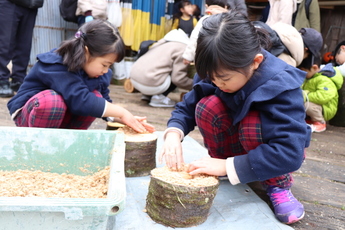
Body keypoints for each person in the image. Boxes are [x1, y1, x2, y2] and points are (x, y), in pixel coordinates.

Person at [159, 12, 311, 224]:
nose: (217, 83)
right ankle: (228, 167)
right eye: (211, 78)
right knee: (207, 106)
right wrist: (174, 133)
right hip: (237, 144)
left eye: (224, 79)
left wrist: (227, 167)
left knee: (252, 123)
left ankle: (278, 184)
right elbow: (188, 106)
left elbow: (289, 152)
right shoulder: (217, 69)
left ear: (255, 62)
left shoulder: (281, 85)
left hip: (274, 150)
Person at [7, 19, 154, 133]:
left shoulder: (99, 73)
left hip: (63, 114)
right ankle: (40, 147)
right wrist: (122, 111)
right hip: (31, 115)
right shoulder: (56, 64)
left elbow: (104, 104)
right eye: (104, 64)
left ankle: (68, 142)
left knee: (96, 98)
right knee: (53, 101)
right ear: (86, 52)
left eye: (110, 66)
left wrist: (122, 118)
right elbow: (79, 99)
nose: (106, 71)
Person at [129, 29, 193, 108]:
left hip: (134, 80)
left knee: (158, 67)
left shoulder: (161, 42)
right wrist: (194, 84)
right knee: (175, 72)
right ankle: (159, 98)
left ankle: (147, 95)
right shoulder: (183, 48)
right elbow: (178, 79)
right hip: (150, 84)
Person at [0, 0, 44, 98]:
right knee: (5, 43)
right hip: (9, 3)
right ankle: (2, 79)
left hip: (31, 5)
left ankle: (18, 79)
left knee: (24, 45)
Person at [299, 55, 343, 132]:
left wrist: (306, 95)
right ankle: (310, 120)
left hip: (326, 108)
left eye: (303, 71)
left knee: (307, 105)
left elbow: (323, 96)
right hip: (316, 105)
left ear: (314, 68)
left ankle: (320, 122)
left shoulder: (325, 79)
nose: (302, 74)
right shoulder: (309, 77)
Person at [182, 0, 231, 65]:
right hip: (226, 61)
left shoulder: (204, 20)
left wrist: (188, 56)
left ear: (206, 6)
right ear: (225, 7)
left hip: (207, 60)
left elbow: (195, 39)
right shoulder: (231, 20)